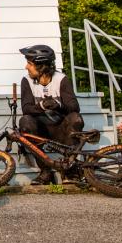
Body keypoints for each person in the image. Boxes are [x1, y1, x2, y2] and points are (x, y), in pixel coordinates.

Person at [18, 44, 83, 184]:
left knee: (75, 118)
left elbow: (74, 107)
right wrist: (42, 106)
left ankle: (70, 170)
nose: (26, 67)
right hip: (40, 130)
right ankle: (45, 172)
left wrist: (58, 106)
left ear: (41, 66)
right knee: (25, 121)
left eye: (29, 63)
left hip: (61, 130)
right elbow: (26, 108)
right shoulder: (27, 81)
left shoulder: (61, 79)